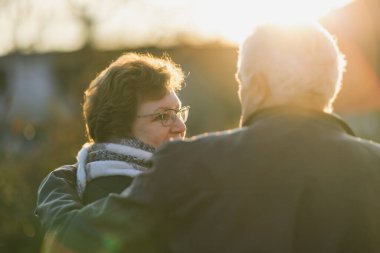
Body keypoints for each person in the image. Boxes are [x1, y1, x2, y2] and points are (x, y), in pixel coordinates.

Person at [36, 23, 380, 253]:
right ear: (331, 85)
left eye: (242, 84)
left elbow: (76, 236)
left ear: (257, 85)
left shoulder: (195, 163)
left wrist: (59, 183)